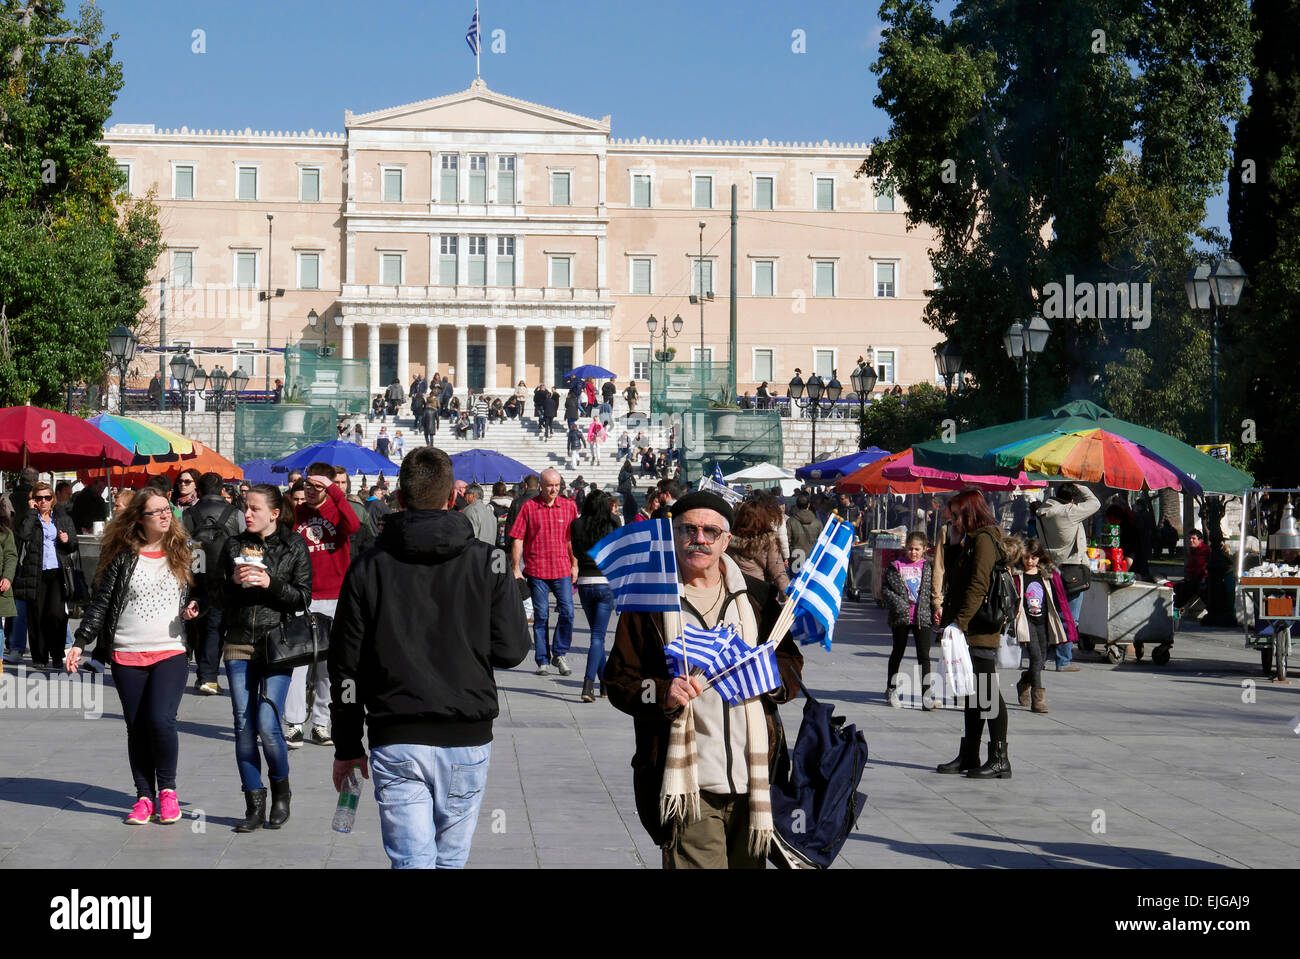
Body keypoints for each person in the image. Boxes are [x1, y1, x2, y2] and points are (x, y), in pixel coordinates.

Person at [329, 447, 528, 868]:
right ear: (452, 498)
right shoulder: (489, 561)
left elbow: (345, 666)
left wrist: (347, 744)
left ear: (399, 498)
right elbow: (512, 650)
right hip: (465, 730)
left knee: (412, 862)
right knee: (448, 862)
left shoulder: (368, 566)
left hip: (396, 731)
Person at [605, 491, 803, 868]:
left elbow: (791, 662)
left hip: (755, 784)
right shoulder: (648, 601)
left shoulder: (758, 597)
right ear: (673, 536)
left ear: (726, 540)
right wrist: (663, 692)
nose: (699, 539)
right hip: (688, 784)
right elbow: (618, 679)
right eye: (688, 529)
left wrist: (772, 678)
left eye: (710, 531)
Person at [68, 488, 202, 825]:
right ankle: (144, 796)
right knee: (137, 727)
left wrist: (195, 608)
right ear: (139, 519)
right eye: (155, 511)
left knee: (161, 720)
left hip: (170, 650)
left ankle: (168, 792)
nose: (164, 515)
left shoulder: (186, 553)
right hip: (127, 652)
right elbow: (101, 603)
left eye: (166, 510)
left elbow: (204, 593)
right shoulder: (122, 557)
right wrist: (80, 641)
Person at [219, 484, 312, 832]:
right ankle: (253, 804)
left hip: (278, 645)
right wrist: (233, 581)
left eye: (255, 509)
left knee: (267, 724)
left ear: (274, 513)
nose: (248, 514)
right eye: (246, 507)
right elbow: (218, 596)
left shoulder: (294, 545)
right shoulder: (233, 545)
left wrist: (269, 583)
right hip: (239, 642)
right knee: (243, 726)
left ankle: (281, 791)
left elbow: (303, 598)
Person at [935, 488, 1012, 779]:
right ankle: (969, 753)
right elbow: (956, 578)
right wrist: (954, 543)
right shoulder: (971, 540)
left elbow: (978, 585)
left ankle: (1000, 758)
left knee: (987, 691)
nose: (953, 520)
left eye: (955, 515)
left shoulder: (985, 540)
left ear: (969, 512)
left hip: (979, 626)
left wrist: (960, 624)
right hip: (968, 625)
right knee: (972, 692)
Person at [284, 463, 360, 753]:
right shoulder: (297, 514)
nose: (311, 491)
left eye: (318, 486)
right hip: (303, 596)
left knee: (328, 665)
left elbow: (353, 526)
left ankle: (321, 722)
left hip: (335, 596)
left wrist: (332, 492)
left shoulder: (338, 511)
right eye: (309, 485)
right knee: (298, 662)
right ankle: (293, 722)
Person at [509, 468, 579, 676]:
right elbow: (518, 537)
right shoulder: (529, 507)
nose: (554, 489)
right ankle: (542, 659)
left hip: (562, 568)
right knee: (541, 615)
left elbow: (571, 540)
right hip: (537, 569)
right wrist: (515, 567)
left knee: (568, 611)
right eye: (550, 485)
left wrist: (575, 564)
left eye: (557, 485)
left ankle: (559, 653)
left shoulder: (569, 507)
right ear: (541, 485)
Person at [183, 472, 246, 695]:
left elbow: (181, 544)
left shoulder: (189, 514)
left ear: (198, 491)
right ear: (221, 491)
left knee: (198, 624)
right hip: (224, 577)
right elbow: (244, 542)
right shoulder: (235, 513)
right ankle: (208, 677)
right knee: (215, 626)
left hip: (196, 575)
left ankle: (203, 673)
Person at [1033, 482, 1098, 672]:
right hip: (1071, 570)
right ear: (1071, 500)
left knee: (1046, 615)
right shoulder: (1068, 511)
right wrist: (1083, 488)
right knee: (1069, 617)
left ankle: (1041, 658)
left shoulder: (1043, 513)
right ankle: (1063, 660)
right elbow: (1095, 503)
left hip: (1048, 567)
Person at [13, 482, 80, 670]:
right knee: (37, 616)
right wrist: (32, 512)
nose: (43, 501)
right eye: (38, 498)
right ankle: (39, 657)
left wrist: (67, 541)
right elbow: (23, 536)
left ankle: (57, 655)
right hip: (35, 572)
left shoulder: (62, 518)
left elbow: (74, 545)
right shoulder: (30, 518)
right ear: (33, 500)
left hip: (58, 572)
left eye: (47, 498)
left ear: (53, 499)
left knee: (57, 615)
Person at [1011, 537, 1077, 715]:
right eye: (1026, 557)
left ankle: (1025, 681)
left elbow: (1060, 599)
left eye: (1033, 557)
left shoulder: (1047, 575)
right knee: (1036, 658)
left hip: (1043, 622)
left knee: (1041, 661)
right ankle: (1038, 700)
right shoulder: (1016, 575)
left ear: (1040, 557)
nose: (1029, 561)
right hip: (1027, 621)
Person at [882, 531, 939, 709]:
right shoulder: (895, 566)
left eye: (917, 549)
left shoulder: (928, 567)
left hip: (922, 616)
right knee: (897, 651)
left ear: (924, 549)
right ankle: (891, 689)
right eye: (910, 549)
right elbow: (886, 590)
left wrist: (937, 607)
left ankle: (927, 694)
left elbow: (935, 589)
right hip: (901, 616)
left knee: (924, 656)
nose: (913, 552)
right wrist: (899, 604)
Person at [725, 498, 790, 598]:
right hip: (760, 593)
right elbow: (778, 573)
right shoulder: (769, 541)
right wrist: (788, 598)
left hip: (733, 592)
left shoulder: (726, 540)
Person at [1174, 529, 1211, 610]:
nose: (1191, 540)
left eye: (1193, 538)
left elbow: (1208, 567)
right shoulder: (1192, 550)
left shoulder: (1206, 550)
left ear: (1200, 540)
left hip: (1202, 581)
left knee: (1205, 596)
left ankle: (1214, 616)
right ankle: (1176, 619)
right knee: (1178, 595)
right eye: (1190, 538)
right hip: (1192, 580)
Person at [785, 494, 823, 567]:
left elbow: (787, 540)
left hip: (796, 557)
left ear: (797, 505)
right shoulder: (817, 523)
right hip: (813, 557)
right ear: (808, 505)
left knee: (796, 578)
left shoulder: (790, 521)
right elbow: (821, 541)